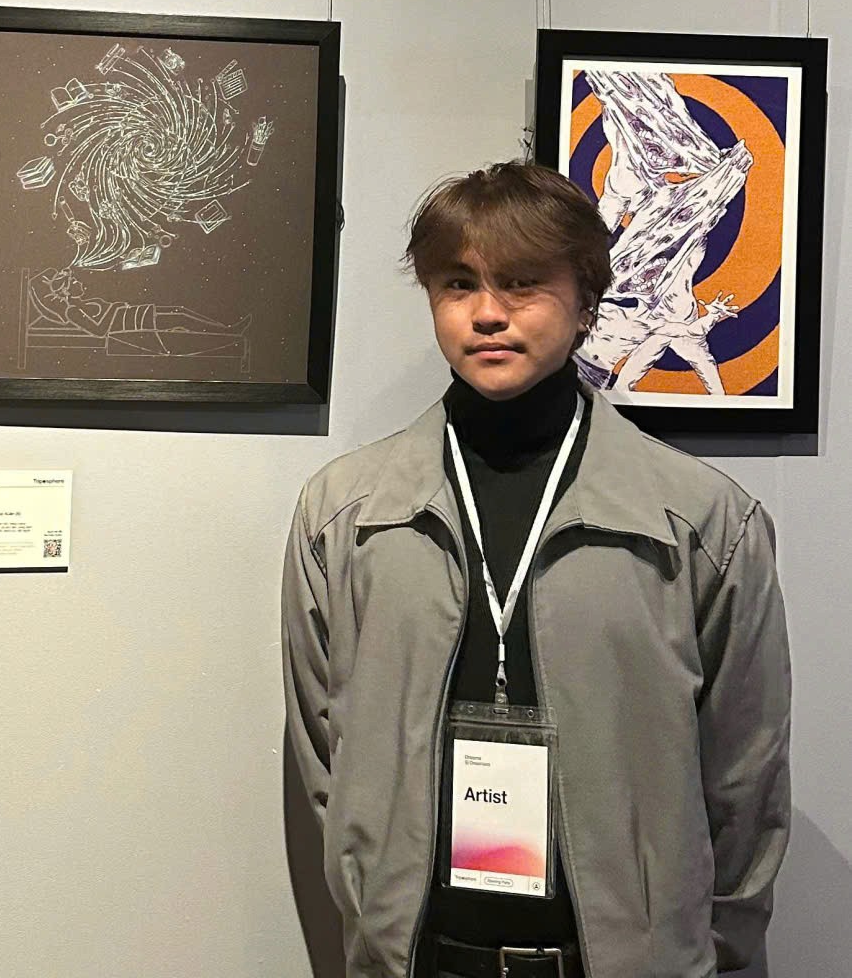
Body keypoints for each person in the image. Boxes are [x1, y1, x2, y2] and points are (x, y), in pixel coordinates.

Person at [281, 161, 791, 978]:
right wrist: (367, 911)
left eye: (521, 283)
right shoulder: (344, 514)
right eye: (458, 284)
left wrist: (702, 950)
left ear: (586, 302)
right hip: (416, 960)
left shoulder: (701, 521)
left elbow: (745, 771)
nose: (487, 313)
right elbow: (322, 755)